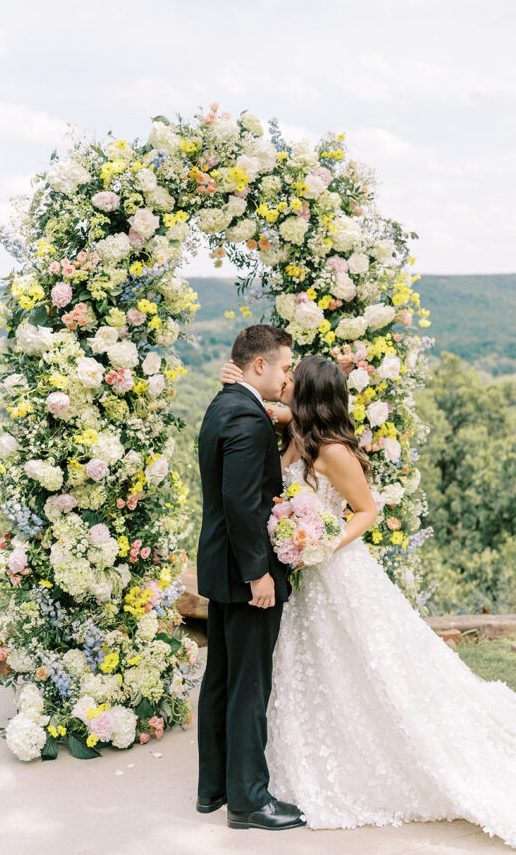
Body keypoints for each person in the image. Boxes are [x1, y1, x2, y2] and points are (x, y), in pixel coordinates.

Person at [219, 351, 516, 854]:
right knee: (316, 666)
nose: (286, 384)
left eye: (292, 380)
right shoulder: (298, 432)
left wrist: (322, 546)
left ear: (307, 394)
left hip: (338, 572)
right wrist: (236, 380)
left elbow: (367, 510)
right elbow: (264, 407)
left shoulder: (335, 452)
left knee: (375, 666)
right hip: (310, 581)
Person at [196, 324, 306, 831]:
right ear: (258, 366)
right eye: (284, 366)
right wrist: (259, 573)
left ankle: (214, 787)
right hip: (245, 575)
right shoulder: (245, 417)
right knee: (248, 686)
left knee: (221, 678)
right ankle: (248, 801)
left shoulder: (225, 403)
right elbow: (242, 504)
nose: (287, 376)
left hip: (220, 567)